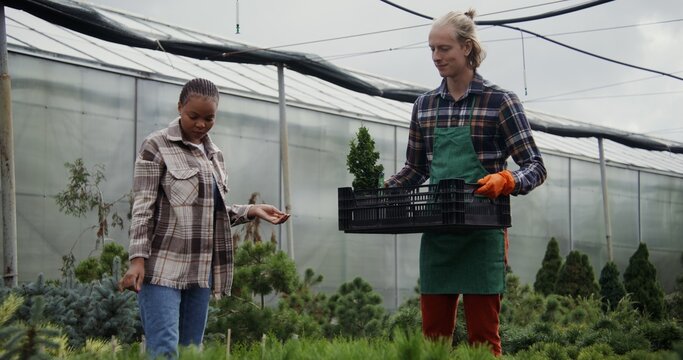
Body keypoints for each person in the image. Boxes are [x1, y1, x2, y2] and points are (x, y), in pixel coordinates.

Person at [385, 10, 546, 356]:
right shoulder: (424, 106)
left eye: (445, 49)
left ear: (468, 48)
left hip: (482, 233)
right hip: (439, 232)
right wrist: (386, 188)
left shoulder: (500, 102)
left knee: (484, 342)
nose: (436, 57)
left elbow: (535, 166)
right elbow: (414, 169)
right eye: (432, 49)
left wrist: (507, 180)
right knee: (433, 341)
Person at [118, 78, 290, 358]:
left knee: (191, 351)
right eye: (193, 116)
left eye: (209, 118)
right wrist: (137, 260)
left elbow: (213, 212)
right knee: (163, 350)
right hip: (162, 267)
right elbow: (143, 207)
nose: (201, 124)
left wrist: (252, 210)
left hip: (200, 272)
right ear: (179, 107)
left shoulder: (215, 156)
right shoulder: (156, 145)